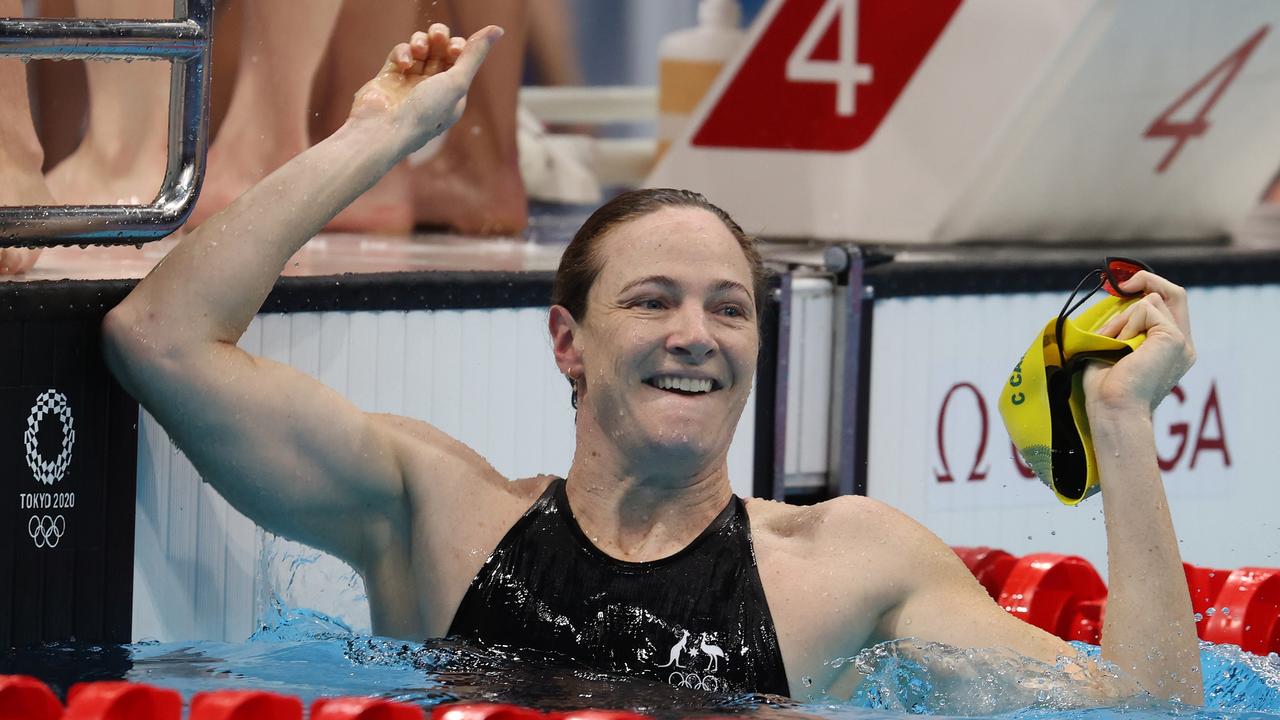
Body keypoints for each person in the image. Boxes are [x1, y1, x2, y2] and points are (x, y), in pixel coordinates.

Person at [102, 24, 1204, 702]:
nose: (696, 335)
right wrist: (374, 141)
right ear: (565, 341)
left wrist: (1119, 427)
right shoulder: (436, 514)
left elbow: (1141, 712)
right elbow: (160, 340)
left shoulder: (842, 564)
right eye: (652, 300)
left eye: (729, 308)